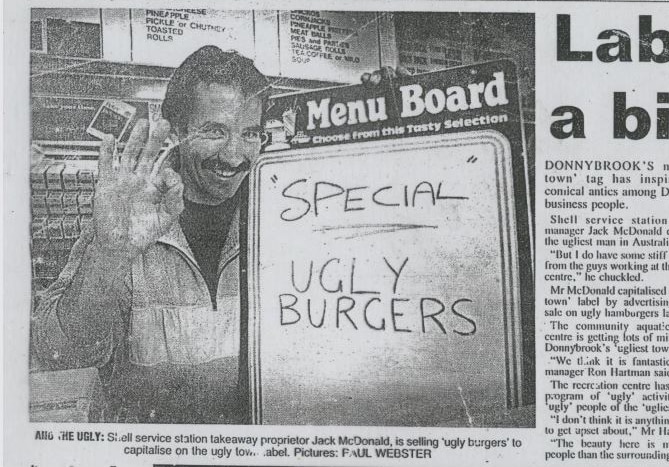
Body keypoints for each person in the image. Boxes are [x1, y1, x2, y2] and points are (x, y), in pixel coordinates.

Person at [32, 44, 408, 423]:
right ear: (177, 130)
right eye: (214, 130)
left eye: (250, 133)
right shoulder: (126, 217)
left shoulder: (286, 219)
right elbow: (60, 355)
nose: (234, 154)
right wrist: (109, 257)